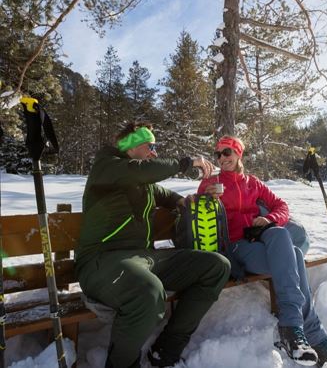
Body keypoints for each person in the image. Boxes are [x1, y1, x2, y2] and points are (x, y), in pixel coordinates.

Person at [75, 122, 231, 368]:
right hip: (102, 262)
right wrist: (187, 162)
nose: (154, 153)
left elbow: (164, 194)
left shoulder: (140, 182)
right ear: (131, 147)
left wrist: (183, 202)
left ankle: (168, 347)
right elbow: (143, 171)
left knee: (217, 266)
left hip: (143, 259)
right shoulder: (106, 168)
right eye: (151, 147)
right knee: (149, 291)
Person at [197, 136, 327, 367]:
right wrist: (205, 197)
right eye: (219, 154)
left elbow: (281, 206)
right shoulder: (211, 183)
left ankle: (294, 329)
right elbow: (196, 213)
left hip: (259, 240)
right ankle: (307, 331)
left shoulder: (253, 183)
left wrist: (269, 218)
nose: (222, 158)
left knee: (285, 239)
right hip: (234, 246)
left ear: (238, 154)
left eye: (227, 152)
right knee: (295, 256)